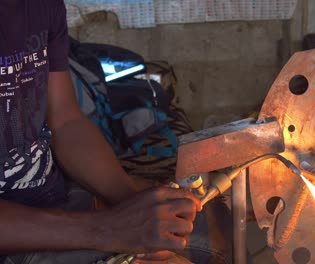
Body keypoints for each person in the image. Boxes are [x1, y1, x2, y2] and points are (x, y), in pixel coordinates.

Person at [0, 1, 231, 263]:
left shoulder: (42, 7)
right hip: (13, 235)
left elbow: (65, 121)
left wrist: (131, 202)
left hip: (51, 197)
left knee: (211, 221)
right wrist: (104, 228)